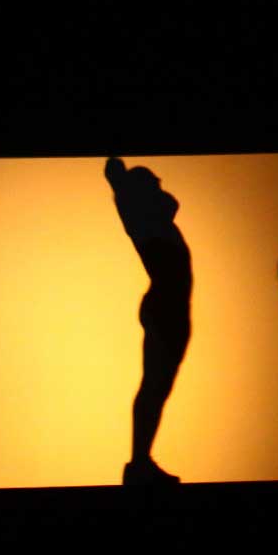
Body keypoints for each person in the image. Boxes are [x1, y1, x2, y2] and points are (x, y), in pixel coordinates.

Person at [106, 157, 193, 487]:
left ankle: (142, 461)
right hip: (164, 308)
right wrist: (122, 181)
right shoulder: (142, 221)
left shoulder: (155, 220)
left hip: (174, 310)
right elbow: (122, 182)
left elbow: (172, 202)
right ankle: (139, 462)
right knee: (153, 386)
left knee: (158, 388)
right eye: (155, 186)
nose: (162, 191)